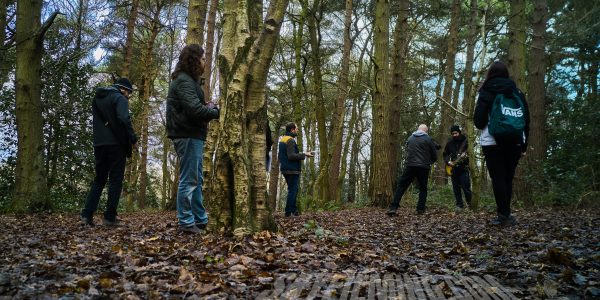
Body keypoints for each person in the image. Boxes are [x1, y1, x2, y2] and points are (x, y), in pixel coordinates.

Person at [166, 44, 220, 234]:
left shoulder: (189, 81)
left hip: (191, 134)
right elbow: (194, 110)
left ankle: (199, 219)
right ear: (194, 60)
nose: (205, 62)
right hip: (186, 133)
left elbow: (194, 105)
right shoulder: (184, 81)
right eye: (203, 59)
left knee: (195, 179)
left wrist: (207, 106)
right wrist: (215, 112)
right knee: (189, 180)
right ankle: (186, 222)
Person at [474, 61, 530, 226]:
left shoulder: (486, 91)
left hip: (491, 141)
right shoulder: (517, 92)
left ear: (489, 74)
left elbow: (479, 121)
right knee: (508, 178)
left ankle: (503, 215)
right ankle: (507, 214)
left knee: (498, 178)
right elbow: (526, 120)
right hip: (515, 141)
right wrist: (524, 145)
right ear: (507, 74)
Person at [81, 77, 137, 227]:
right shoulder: (120, 98)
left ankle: (87, 215)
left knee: (99, 179)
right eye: (129, 93)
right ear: (123, 89)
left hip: (99, 144)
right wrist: (133, 138)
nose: (128, 96)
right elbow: (124, 119)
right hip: (116, 144)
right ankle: (109, 217)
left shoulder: (97, 99)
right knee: (115, 180)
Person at [387, 124, 439, 216]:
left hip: (410, 165)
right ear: (426, 131)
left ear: (418, 130)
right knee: (423, 188)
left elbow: (408, 150)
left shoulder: (410, 138)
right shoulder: (428, 139)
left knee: (402, 186)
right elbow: (434, 155)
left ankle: (393, 207)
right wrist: (430, 161)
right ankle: (420, 209)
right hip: (423, 167)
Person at [278, 122, 313, 217]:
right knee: (292, 191)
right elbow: (291, 156)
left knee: (293, 190)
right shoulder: (290, 140)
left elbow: (283, 155)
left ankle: (293, 211)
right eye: (296, 128)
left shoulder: (283, 140)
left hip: (286, 168)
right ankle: (289, 212)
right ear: (292, 130)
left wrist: (304, 153)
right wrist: (304, 155)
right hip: (291, 169)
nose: (297, 130)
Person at [443, 125, 472, 210]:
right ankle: (459, 205)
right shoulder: (449, 143)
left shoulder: (466, 141)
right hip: (453, 169)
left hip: (464, 168)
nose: (454, 135)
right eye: (452, 133)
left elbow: (471, 153)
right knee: (456, 188)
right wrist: (448, 161)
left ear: (459, 132)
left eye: (456, 133)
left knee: (466, 187)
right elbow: (445, 154)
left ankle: (469, 204)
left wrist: (467, 155)